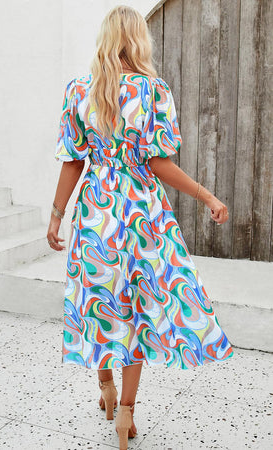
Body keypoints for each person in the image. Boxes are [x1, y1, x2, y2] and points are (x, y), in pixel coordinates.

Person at [47, 5, 234, 449]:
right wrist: (206, 196)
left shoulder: (78, 90)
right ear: (138, 39)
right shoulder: (153, 91)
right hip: (141, 217)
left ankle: (106, 388)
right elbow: (158, 163)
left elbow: (73, 160)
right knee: (134, 312)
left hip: (95, 215)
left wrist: (57, 214)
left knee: (100, 302)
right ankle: (126, 414)